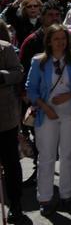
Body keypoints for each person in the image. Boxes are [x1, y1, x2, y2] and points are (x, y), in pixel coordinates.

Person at [25, 24, 71, 216]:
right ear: (49, 41)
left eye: (63, 38)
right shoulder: (39, 61)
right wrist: (45, 107)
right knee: (46, 157)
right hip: (47, 113)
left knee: (68, 156)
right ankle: (45, 198)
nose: (60, 42)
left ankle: (67, 196)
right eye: (56, 38)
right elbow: (31, 89)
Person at [0, 32, 23, 221]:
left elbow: (18, 72)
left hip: (5, 119)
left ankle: (16, 203)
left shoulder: (5, 47)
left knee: (11, 164)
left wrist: (1, 76)